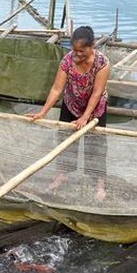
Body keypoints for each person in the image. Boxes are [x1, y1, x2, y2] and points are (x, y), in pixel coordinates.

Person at [27, 25, 111, 200]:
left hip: (94, 109)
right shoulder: (66, 61)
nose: (78, 54)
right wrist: (42, 112)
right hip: (71, 104)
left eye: (82, 51)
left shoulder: (102, 63)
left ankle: (100, 183)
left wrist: (85, 117)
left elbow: (97, 92)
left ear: (92, 46)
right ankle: (62, 175)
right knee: (65, 140)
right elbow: (57, 89)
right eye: (75, 50)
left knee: (96, 145)